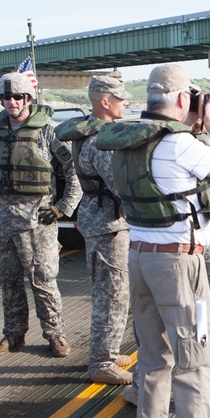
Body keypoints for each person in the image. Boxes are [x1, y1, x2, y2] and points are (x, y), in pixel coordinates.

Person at [94, 63, 210, 418]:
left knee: (154, 356)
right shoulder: (180, 145)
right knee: (196, 364)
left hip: (139, 257)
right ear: (183, 100)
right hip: (180, 266)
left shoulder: (129, 140)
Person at [0, 72, 82, 358]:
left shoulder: (48, 132)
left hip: (38, 221)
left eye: (17, 97)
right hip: (1, 222)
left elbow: (74, 174)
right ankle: (13, 333)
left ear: (28, 99)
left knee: (43, 280)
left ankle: (55, 334)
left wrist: (62, 207)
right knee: (8, 281)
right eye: (6, 97)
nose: (11, 102)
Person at [54, 76, 133, 385]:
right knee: (110, 294)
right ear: (104, 102)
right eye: (120, 98)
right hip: (108, 223)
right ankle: (101, 361)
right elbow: (119, 186)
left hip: (97, 218)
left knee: (111, 290)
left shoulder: (90, 132)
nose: (125, 102)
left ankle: (108, 353)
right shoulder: (103, 142)